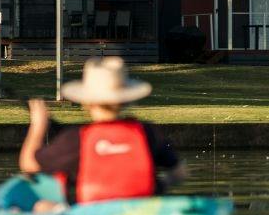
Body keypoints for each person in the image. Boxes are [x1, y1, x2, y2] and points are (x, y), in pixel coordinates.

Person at [19, 57, 183, 205]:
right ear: (126, 100)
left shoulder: (75, 138)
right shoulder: (149, 133)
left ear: (86, 102)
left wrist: (38, 124)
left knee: (43, 207)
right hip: (140, 214)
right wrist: (158, 188)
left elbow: (28, 164)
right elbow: (179, 172)